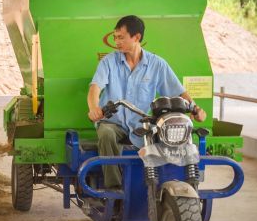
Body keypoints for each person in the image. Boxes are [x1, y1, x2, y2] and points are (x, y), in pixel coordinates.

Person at [87, 15, 207, 189]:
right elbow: (95, 88)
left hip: (143, 126)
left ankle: (168, 186)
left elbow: (178, 92)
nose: (116, 42)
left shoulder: (157, 64)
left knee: (173, 136)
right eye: (115, 37)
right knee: (106, 133)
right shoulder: (108, 62)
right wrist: (94, 108)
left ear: (136, 37)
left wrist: (195, 108)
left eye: (121, 37)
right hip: (114, 123)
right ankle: (114, 190)